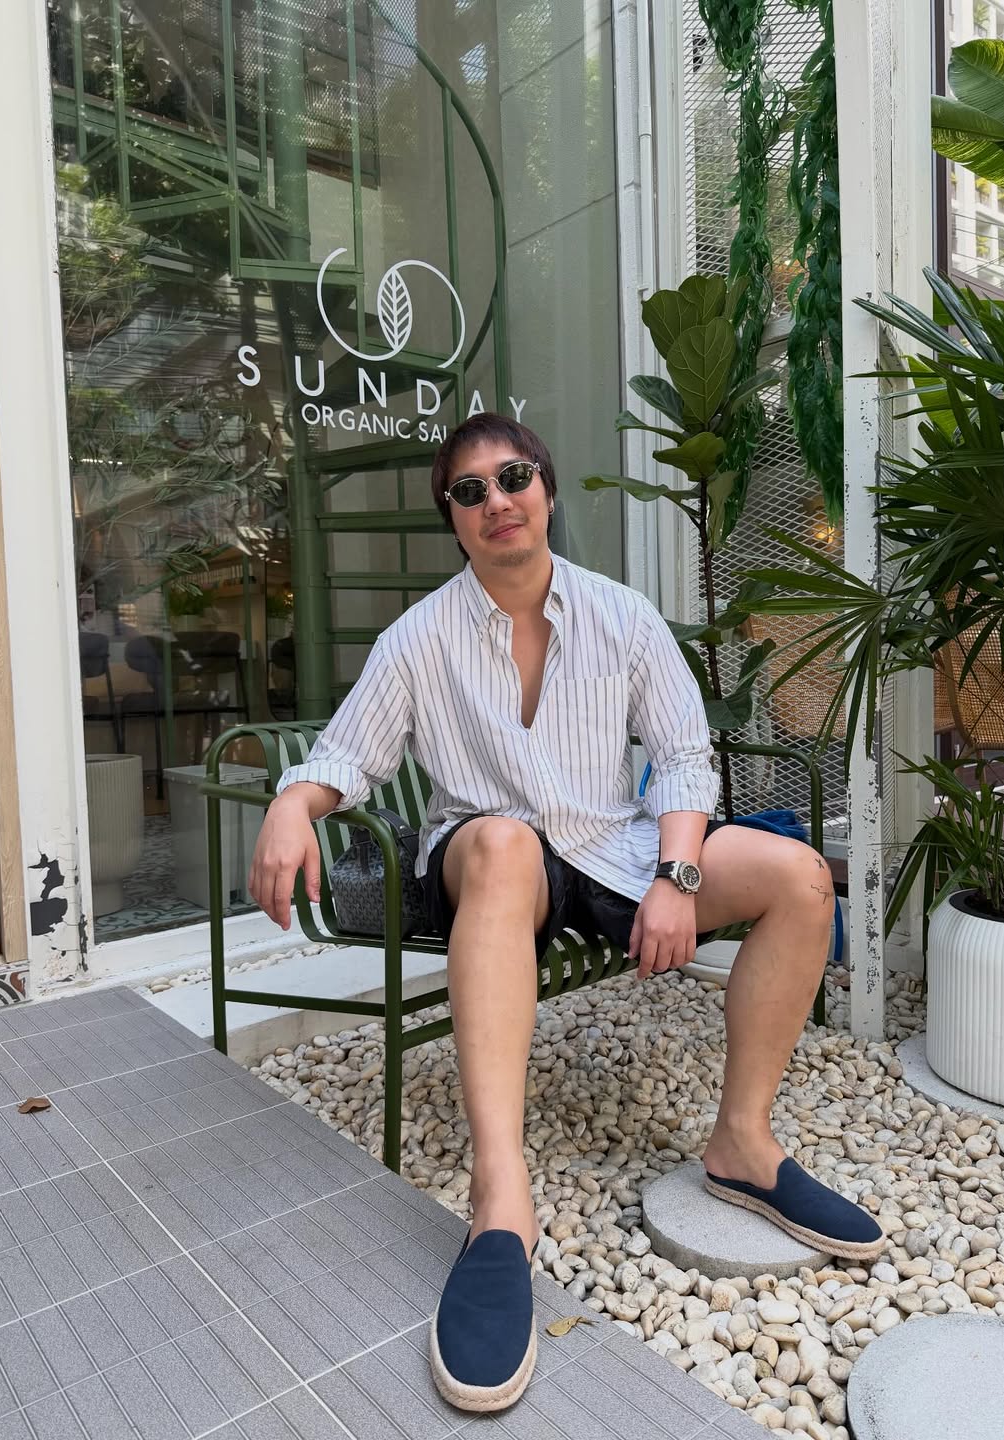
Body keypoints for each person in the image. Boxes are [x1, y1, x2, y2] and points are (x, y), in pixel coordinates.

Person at [248, 414, 883, 1414]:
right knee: (504, 844)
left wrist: (676, 874)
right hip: (487, 860)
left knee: (801, 876)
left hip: (614, 846)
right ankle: (501, 1202)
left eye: (514, 478)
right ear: (454, 519)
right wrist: (293, 805)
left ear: (545, 488)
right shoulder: (420, 638)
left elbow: (684, 756)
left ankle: (742, 1145)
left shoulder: (621, 616)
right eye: (470, 491)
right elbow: (347, 756)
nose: (497, 501)